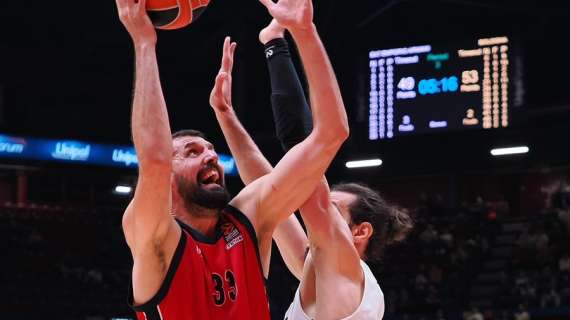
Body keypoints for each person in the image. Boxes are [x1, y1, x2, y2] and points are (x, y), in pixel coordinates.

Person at [114, 0, 349, 318]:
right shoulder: (157, 237)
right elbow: (154, 161)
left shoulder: (249, 219)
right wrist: (144, 43)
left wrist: (305, 33)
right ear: (168, 178)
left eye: (211, 149)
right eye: (192, 152)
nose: (211, 155)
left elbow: (330, 136)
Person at [209, 16, 413, 319]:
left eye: (333, 210)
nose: (315, 207)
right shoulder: (316, 262)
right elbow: (265, 185)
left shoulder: (343, 266)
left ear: (360, 232)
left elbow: (304, 146)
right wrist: (226, 115)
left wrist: (282, 44)